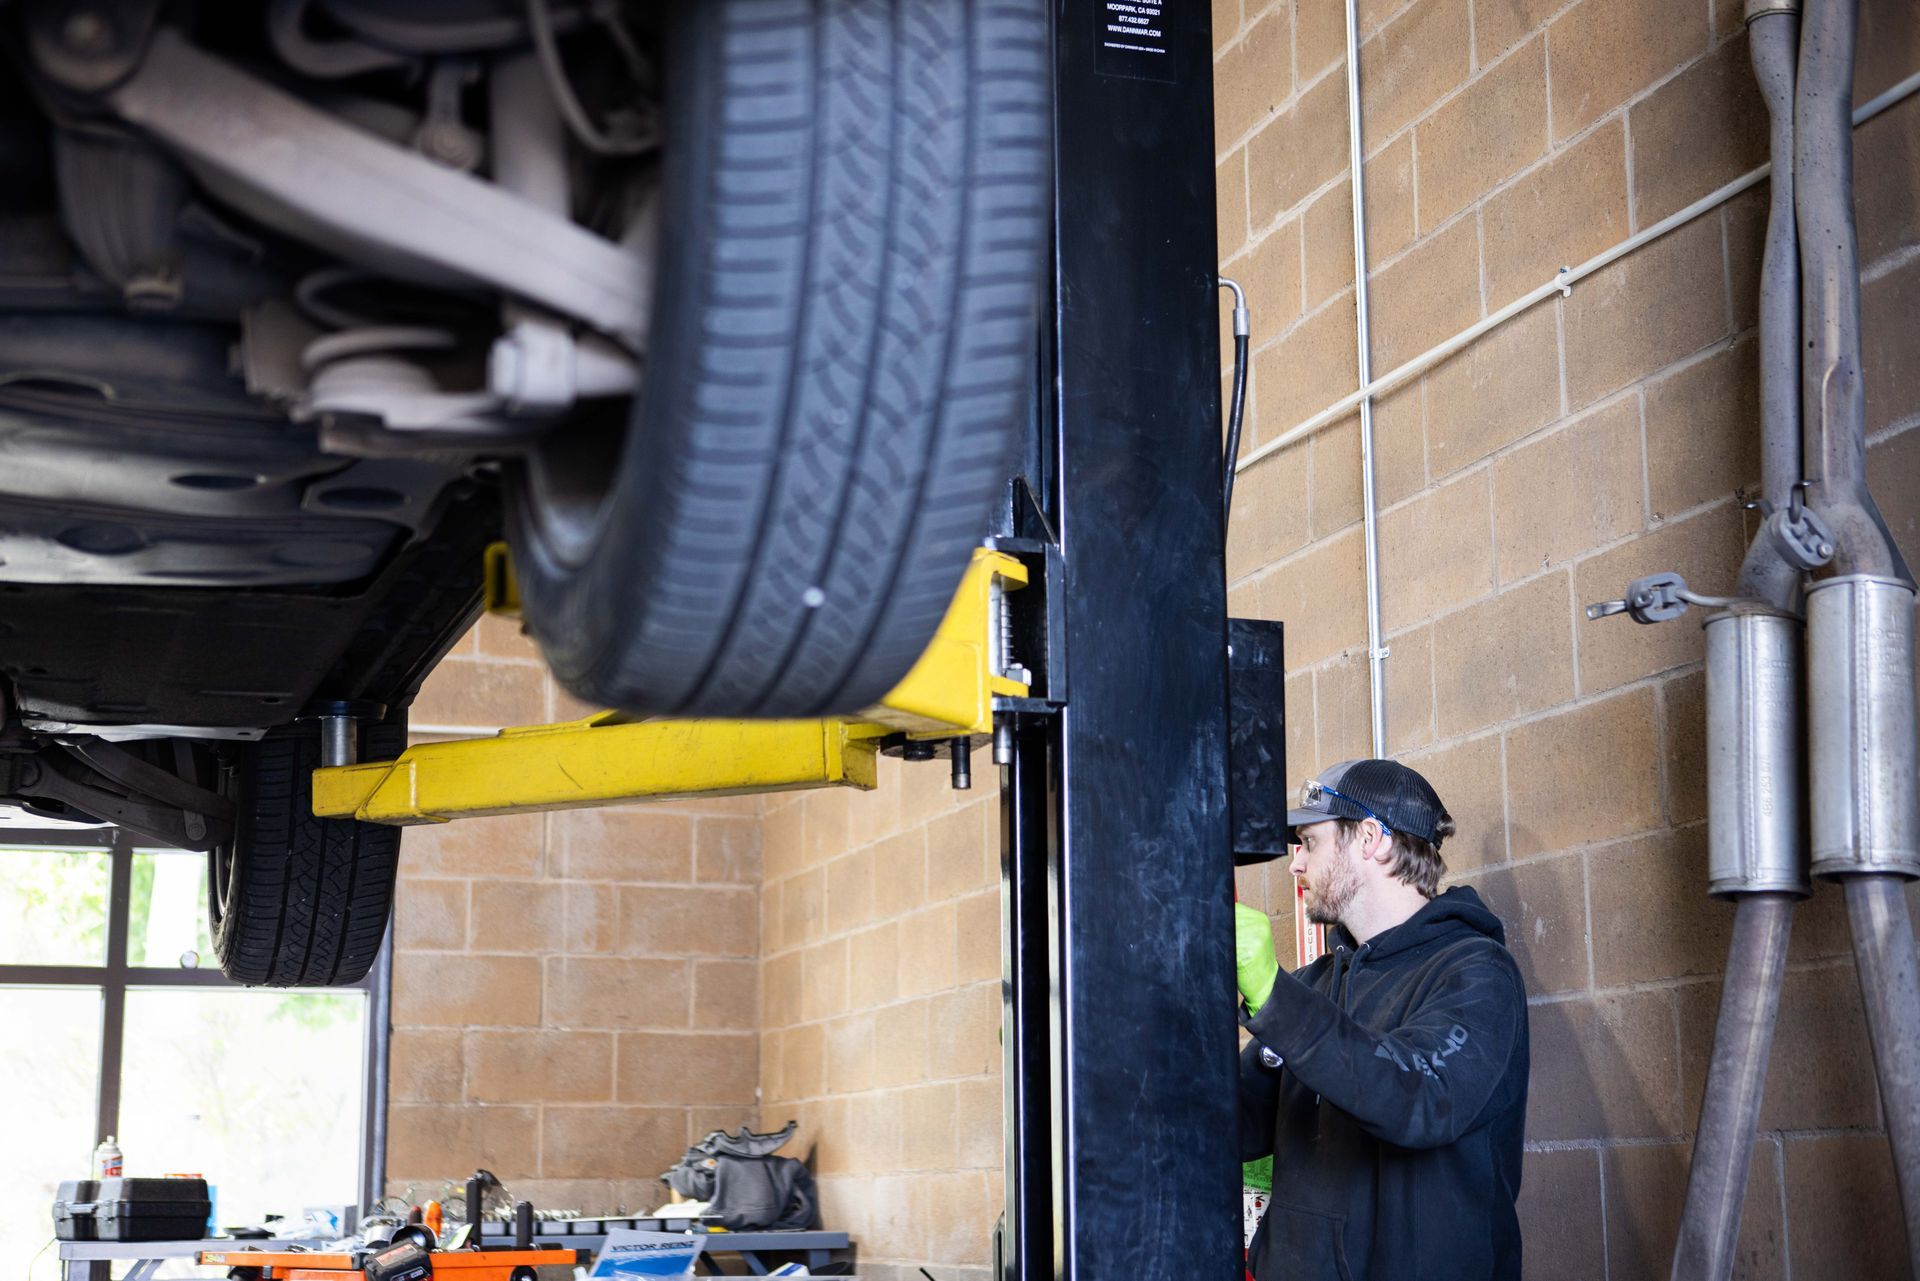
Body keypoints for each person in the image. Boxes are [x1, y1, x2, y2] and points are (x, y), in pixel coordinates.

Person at [1235, 758, 1529, 1281]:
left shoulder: (1477, 975)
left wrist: (1273, 998)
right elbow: (1228, 1127)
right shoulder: (1311, 987)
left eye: (1310, 842)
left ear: (1371, 838)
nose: (1294, 865)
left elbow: (1415, 1096)